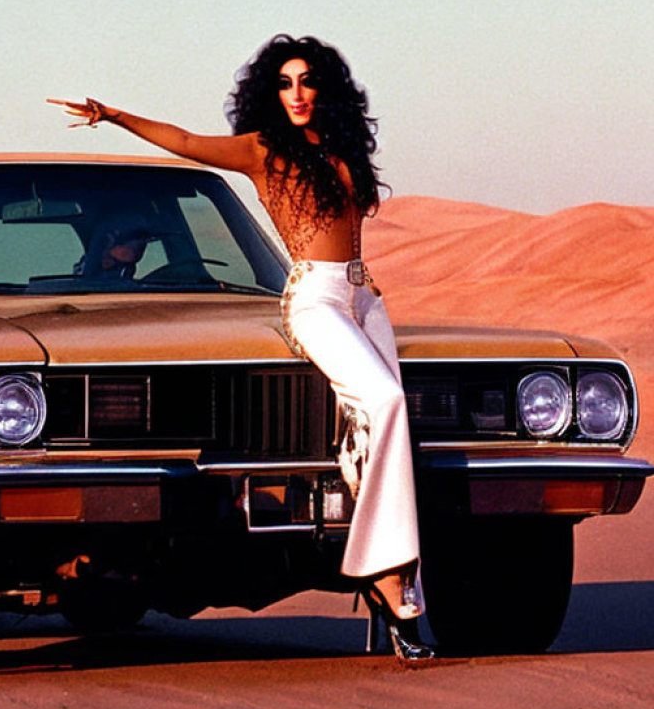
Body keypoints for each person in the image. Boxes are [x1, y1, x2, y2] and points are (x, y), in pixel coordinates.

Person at [49, 34, 433, 661]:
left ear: (326, 87)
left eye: (307, 81)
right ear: (269, 93)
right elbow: (186, 141)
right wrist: (115, 116)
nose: (297, 94)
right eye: (284, 83)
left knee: (385, 435)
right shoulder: (263, 151)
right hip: (315, 299)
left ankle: (396, 577)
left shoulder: (342, 150)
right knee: (386, 401)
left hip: (367, 299)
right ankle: (388, 580)